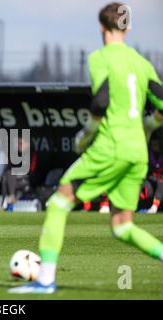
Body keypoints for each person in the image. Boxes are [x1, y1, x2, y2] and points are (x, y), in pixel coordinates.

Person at [10, 2, 163, 294]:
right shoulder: (142, 63)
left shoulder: (101, 57)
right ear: (127, 28)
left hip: (110, 147)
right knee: (122, 227)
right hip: (137, 152)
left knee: (58, 203)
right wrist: (150, 125)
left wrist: (86, 133)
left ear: (101, 28)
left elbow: (101, 101)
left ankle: (45, 281)